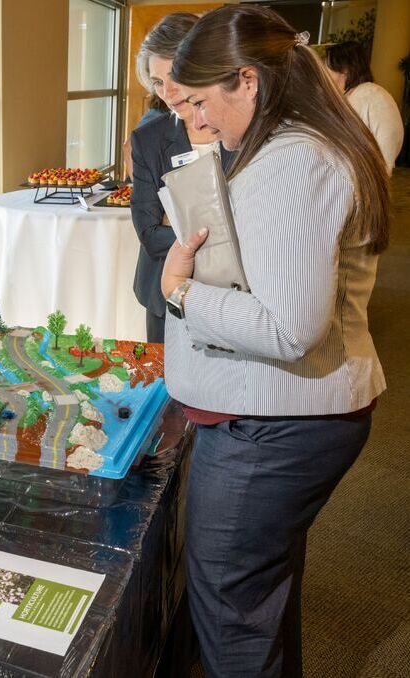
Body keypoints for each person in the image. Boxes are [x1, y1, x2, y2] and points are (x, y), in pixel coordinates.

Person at [162, 6, 389, 675]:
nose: (198, 120)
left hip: (274, 428)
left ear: (248, 82)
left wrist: (182, 291)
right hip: (274, 418)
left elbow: (290, 328)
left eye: (202, 102)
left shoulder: (295, 160)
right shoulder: (292, 144)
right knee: (259, 603)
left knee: (233, 620)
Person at [129, 13, 233, 343]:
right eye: (158, 82)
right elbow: (148, 231)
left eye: (174, 74)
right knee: (167, 389)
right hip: (166, 295)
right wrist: (225, 229)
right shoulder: (149, 139)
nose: (168, 92)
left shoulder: (241, 130)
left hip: (237, 296)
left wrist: (178, 221)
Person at [325, 40, 404, 175]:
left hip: (364, 179)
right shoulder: (348, 96)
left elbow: (388, 143)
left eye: (327, 67)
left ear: (345, 69)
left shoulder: (372, 95)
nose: (324, 73)